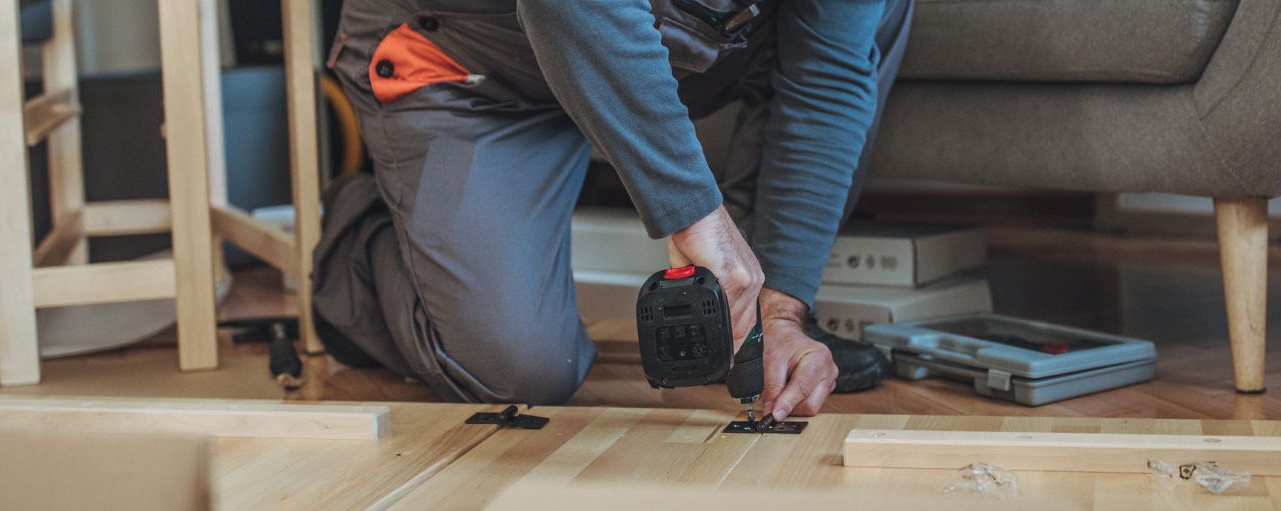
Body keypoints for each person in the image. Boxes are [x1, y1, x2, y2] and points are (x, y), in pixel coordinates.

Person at [314, 0, 913, 420]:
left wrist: (781, 309)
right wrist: (691, 211)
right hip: (475, 67)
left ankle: (753, 317)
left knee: (870, 15)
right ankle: (367, 238)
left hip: (675, 47)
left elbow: (827, 78)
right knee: (523, 375)